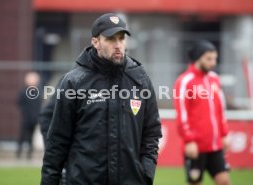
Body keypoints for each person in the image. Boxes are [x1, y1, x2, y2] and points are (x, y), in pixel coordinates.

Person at [41, 13, 162, 185]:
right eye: (111, 39)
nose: (118, 45)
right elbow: (57, 141)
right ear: (96, 42)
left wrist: (146, 172)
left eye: (121, 39)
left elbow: (151, 132)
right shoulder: (74, 82)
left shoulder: (140, 79)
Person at [174, 40, 230, 185]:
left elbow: (220, 109)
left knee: (224, 181)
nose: (213, 63)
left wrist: (224, 134)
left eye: (215, 59)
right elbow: (182, 113)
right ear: (198, 58)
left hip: (215, 146)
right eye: (209, 59)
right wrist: (189, 140)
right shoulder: (185, 81)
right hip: (195, 147)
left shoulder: (214, 79)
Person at [16, 71, 42, 159]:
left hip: (35, 118)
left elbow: (40, 104)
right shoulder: (23, 91)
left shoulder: (39, 91)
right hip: (26, 117)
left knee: (31, 137)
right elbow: (19, 102)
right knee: (22, 136)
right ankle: (18, 153)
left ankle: (29, 154)